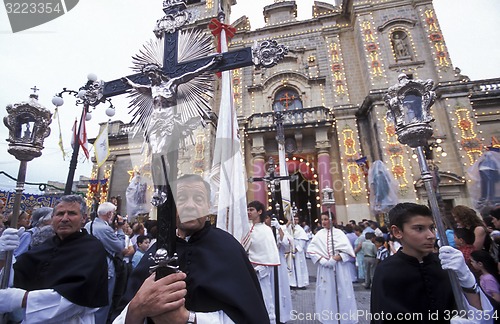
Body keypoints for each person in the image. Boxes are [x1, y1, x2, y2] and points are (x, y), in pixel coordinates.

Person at [114, 174, 269, 323]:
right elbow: (126, 312)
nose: (189, 205)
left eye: (198, 199)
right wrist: (137, 309)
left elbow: (252, 316)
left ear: (208, 206)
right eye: (181, 198)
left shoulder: (228, 248)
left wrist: (188, 318)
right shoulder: (158, 250)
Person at [371, 202, 493, 323]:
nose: (431, 235)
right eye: (419, 229)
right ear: (397, 232)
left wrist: (466, 279)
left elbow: (480, 313)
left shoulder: (445, 265)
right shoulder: (386, 271)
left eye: (432, 228)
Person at [0, 195, 108, 323]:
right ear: (52, 218)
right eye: (60, 214)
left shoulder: (92, 249)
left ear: (83, 218)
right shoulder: (45, 245)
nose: (64, 219)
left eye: (72, 213)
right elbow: (12, 278)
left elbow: (75, 297)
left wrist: (20, 299)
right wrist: (4, 256)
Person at [307, 211, 358, 323]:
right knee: (327, 293)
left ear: (332, 220)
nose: (324, 222)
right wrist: (323, 260)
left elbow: (347, 251)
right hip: (325, 268)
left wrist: (335, 259)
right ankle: (329, 318)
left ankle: (344, 319)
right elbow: (311, 250)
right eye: (322, 220)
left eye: (326, 219)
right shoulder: (319, 234)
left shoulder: (339, 233)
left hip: (339, 268)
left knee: (343, 292)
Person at [84, 201, 126, 323]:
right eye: (113, 214)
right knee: (104, 301)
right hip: (105, 268)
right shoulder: (105, 229)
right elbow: (120, 247)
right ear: (108, 214)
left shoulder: (89, 225)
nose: (113, 217)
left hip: (90, 265)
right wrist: (120, 230)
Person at [243, 200, 280, 324]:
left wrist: (257, 269)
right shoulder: (245, 228)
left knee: (264, 300)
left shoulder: (266, 230)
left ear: (259, 212)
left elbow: (269, 255)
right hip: (245, 272)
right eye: (248, 209)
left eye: (251, 209)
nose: (249, 212)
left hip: (260, 274)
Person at [266, 212, 293, 323]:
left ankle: (282, 315)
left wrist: (279, 229)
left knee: (280, 288)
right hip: (266, 263)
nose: (267, 220)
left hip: (279, 263)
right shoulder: (262, 230)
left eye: (269, 218)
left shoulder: (280, 229)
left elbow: (286, 244)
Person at [287, 214, 309, 289]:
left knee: (300, 267)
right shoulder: (288, 228)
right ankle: (292, 283)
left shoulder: (300, 229)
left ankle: (301, 283)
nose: (295, 221)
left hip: (298, 251)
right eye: (294, 219)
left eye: (296, 219)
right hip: (290, 250)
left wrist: (297, 248)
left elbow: (303, 240)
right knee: (291, 267)